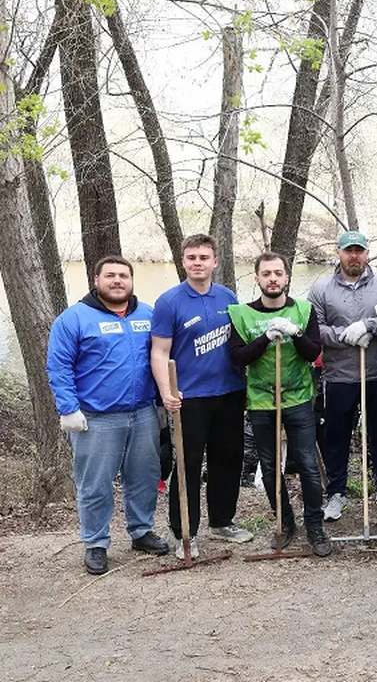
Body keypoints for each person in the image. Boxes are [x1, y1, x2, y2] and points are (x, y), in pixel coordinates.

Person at [47, 256, 170, 574]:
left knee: (143, 479)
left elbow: (162, 356)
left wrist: (163, 400)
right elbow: (59, 367)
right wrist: (68, 409)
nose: (118, 281)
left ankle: (141, 532)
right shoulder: (73, 319)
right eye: (111, 276)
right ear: (96, 279)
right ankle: (96, 543)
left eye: (124, 276)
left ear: (131, 281)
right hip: (96, 419)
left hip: (143, 413)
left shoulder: (148, 315)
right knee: (95, 485)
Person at [151, 234, 252, 557]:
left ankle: (222, 521)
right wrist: (167, 392)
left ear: (215, 262)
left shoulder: (228, 297)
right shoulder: (169, 302)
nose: (198, 263)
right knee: (188, 463)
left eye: (203, 257)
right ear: (183, 261)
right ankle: (185, 532)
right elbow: (158, 351)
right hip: (189, 397)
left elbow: (239, 343)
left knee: (228, 458)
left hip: (229, 392)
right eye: (192, 257)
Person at [228, 253, 333, 556]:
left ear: (287, 278)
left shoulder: (304, 310)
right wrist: (264, 337)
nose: (272, 279)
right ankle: (286, 523)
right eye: (266, 274)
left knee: (309, 467)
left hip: (298, 399)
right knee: (272, 467)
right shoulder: (241, 314)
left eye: (278, 273)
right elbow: (238, 357)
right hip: (262, 402)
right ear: (257, 279)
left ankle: (314, 524)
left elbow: (313, 352)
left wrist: (294, 332)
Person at [309, 230, 377, 521]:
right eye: (348, 251)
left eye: (359, 251)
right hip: (339, 376)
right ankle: (336, 492)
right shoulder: (321, 288)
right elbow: (316, 329)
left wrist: (368, 326)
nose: (354, 256)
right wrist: (345, 336)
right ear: (338, 253)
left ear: (367, 254)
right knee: (336, 435)